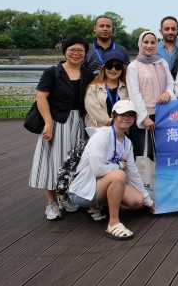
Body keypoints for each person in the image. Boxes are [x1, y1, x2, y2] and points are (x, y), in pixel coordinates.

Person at [68, 100, 155, 240]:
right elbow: (98, 170)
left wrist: (149, 202)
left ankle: (99, 206)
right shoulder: (101, 136)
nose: (126, 118)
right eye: (122, 115)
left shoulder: (127, 143)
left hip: (101, 186)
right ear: (113, 116)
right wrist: (120, 165)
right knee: (119, 175)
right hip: (83, 190)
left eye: (130, 115)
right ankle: (113, 223)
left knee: (138, 201)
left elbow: (133, 173)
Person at [29, 35, 94, 220]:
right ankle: (51, 202)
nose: (76, 53)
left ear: (85, 53)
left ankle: (64, 197)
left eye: (80, 50)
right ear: (65, 51)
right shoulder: (53, 72)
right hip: (57, 123)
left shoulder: (87, 73)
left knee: (74, 162)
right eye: (72, 50)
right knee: (52, 162)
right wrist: (48, 122)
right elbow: (41, 97)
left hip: (79, 123)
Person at [127, 31, 176, 157]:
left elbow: (171, 83)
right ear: (140, 44)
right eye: (146, 42)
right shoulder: (133, 66)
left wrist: (168, 92)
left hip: (163, 114)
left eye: (153, 42)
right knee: (145, 153)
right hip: (144, 116)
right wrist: (145, 118)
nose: (149, 45)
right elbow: (134, 94)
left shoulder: (162, 63)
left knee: (164, 152)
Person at [85, 51, 130, 128]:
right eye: (109, 66)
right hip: (98, 129)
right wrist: (109, 121)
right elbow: (92, 107)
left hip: (121, 129)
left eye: (118, 66)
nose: (113, 69)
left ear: (122, 69)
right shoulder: (93, 87)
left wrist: (117, 122)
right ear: (104, 68)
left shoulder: (127, 88)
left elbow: (127, 107)